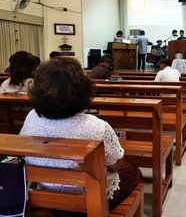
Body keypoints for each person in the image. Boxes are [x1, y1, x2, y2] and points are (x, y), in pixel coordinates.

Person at [20, 57, 142, 210]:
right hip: (90, 200)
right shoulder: (97, 127)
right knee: (133, 171)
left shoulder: (31, 117)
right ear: (82, 89)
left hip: (45, 192)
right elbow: (116, 165)